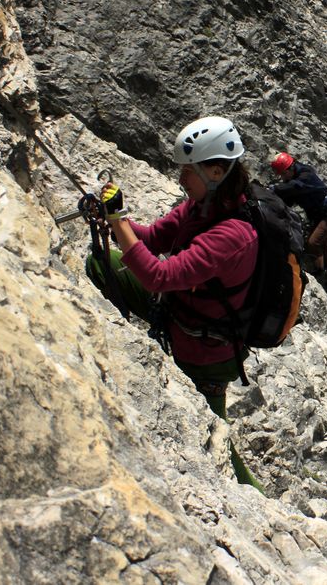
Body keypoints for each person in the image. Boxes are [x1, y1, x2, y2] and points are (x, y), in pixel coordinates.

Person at [84, 116, 264, 492]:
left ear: (216, 171)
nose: (181, 179)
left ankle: (252, 495)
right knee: (103, 262)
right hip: (180, 320)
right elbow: (153, 239)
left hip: (206, 354)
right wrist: (116, 220)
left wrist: (118, 221)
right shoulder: (200, 208)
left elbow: (158, 277)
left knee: (216, 441)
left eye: (188, 170)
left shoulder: (233, 234)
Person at [269, 152, 327, 294]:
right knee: (324, 246)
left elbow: (295, 187)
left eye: (283, 174)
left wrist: (273, 189)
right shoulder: (294, 178)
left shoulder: (306, 174)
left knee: (313, 243)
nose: (283, 178)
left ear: (289, 169)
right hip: (319, 215)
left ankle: (320, 272)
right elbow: (288, 198)